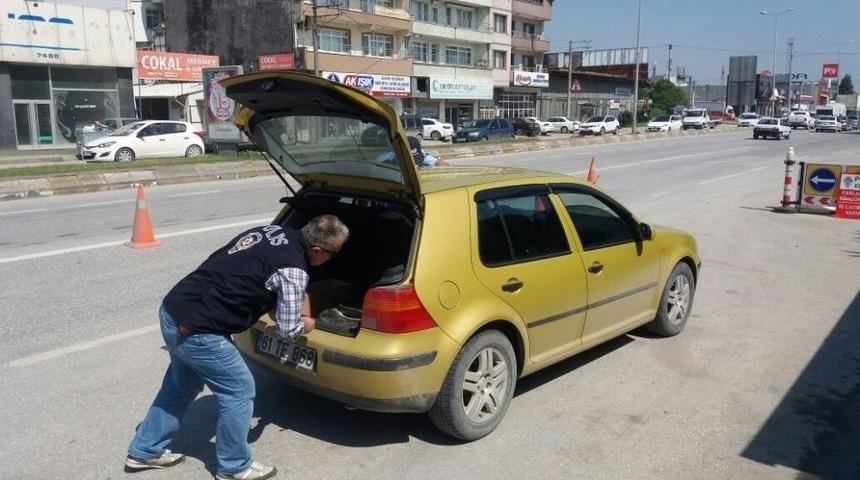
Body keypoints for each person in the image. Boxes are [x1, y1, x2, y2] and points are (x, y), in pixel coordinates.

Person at [125, 215, 349, 480]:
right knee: (239, 391)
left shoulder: (270, 231)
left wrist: (272, 304)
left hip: (174, 309)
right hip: (199, 330)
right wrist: (308, 324)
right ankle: (234, 467)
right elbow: (288, 330)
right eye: (334, 255)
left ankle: (144, 450)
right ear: (317, 250)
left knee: (181, 384)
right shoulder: (294, 270)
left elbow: (240, 269)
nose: (333, 260)